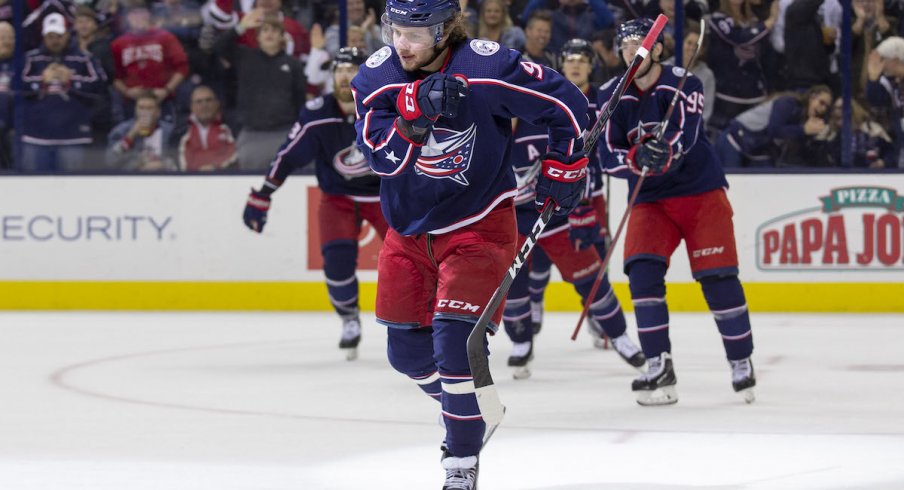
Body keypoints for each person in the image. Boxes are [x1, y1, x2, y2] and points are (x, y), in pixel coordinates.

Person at [351, 0, 589, 486]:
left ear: (445, 31)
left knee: (456, 344)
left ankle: (459, 464)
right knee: (406, 355)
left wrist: (565, 166)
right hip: (410, 231)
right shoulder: (376, 77)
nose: (403, 43)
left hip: (480, 225)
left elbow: (569, 106)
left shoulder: (488, 66)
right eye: (396, 30)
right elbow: (380, 160)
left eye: (416, 34)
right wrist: (411, 121)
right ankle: (469, 410)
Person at [597, 18, 757, 406]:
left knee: (718, 279)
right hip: (650, 199)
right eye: (625, 46)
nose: (632, 52)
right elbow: (606, 157)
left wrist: (663, 151)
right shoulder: (609, 94)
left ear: (657, 50)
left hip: (700, 193)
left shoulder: (685, 82)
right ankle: (658, 365)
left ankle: (741, 359)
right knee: (642, 272)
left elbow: (684, 139)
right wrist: (637, 158)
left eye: (640, 45)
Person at [504, 39, 643, 381]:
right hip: (517, 215)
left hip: (562, 210)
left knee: (589, 277)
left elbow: (588, 158)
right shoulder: (517, 112)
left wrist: (582, 203)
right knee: (512, 284)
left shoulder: (577, 108)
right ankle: (521, 342)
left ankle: (619, 335)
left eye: (583, 60)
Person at [243, 47, 387, 360]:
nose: (344, 75)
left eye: (352, 69)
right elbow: (288, 153)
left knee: (411, 260)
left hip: (386, 195)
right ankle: (349, 318)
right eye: (339, 70)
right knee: (336, 265)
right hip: (338, 198)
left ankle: (417, 323)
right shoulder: (318, 112)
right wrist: (263, 193)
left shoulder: (385, 105)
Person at [214, 12, 307, 169]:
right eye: (264, 30)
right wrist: (240, 27)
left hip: (284, 132)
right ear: (257, 36)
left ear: (282, 36)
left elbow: (300, 101)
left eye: (274, 30)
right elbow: (218, 48)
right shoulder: (244, 57)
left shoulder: (293, 65)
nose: (269, 33)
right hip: (252, 135)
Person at [20, 12, 108, 171]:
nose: (55, 40)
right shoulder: (31, 59)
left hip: (73, 137)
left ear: (67, 34)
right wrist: (41, 81)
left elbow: (100, 85)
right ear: (43, 36)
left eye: (59, 35)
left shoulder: (84, 58)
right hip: (36, 137)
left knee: (74, 190)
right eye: (50, 36)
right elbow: (17, 86)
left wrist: (71, 81)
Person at [715, 85, 832, 168]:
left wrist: (815, 138)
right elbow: (774, 130)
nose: (822, 109)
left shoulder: (802, 118)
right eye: (821, 102)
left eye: (826, 107)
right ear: (812, 96)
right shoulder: (788, 103)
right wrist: (803, 130)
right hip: (734, 139)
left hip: (756, 148)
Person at [107, 92, 177, 170]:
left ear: (158, 112)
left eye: (149, 108)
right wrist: (131, 135)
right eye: (141, 108)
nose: (145, 112)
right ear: (135, 110)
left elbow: (177, 161)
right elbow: (111, 160)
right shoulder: (121, 131)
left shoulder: (170, 131)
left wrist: (162, 165)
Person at [174, 85, 237, 171]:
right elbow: (176, 159)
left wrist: (216, 169)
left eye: (208, 100)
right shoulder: (180, 131)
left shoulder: (232, 127)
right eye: (199, 102)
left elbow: (237, 154)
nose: (204, 105)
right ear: (192, 107)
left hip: (225, 178)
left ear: (217, 103)